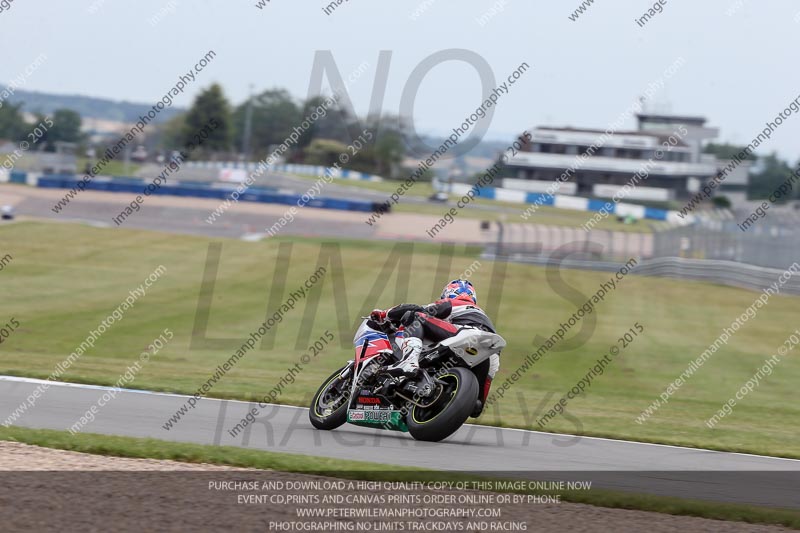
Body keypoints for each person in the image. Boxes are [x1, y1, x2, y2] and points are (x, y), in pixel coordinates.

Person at [369, 279, 500, 417]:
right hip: (491, 351)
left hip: (466, 333)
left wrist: (385, 314)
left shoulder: (456, 302)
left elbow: (420, 310)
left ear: (448, 293)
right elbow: (475, 410)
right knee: (476, 407)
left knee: (417, 317)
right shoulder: (483, 315)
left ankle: (409, 361)